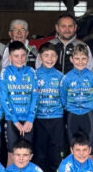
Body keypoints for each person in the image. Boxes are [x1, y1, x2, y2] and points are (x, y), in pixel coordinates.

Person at [59, 43, 93, 154]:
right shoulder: (66, 78)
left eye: (83, 58)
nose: (80, 61)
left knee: (89, 149)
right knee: (73, 148)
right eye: (77, 58)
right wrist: (70, 107)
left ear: (88, 59)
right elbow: (62, 98)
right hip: (72, 115)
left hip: (88, 115)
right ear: (71, 59)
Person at [0, 41, 39, 152]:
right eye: (16, 56)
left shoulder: (31, 71)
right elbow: (4, 98)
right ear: (9, 57)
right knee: (12, 153)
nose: (20, 59)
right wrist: (15, 121)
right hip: (12, 120)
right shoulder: (5, 72)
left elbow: (35, 96)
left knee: (27, 152)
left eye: (23, 55)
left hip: (28, 120)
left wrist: (30, 120)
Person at [33, 43, 66, 172]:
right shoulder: (34, 75)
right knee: (39, 154)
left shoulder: (61, 76)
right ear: (40, 57)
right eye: (46, 55)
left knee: (56, 154)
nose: (50, 59)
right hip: (39, 119)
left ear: (57, 57)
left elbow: (64, 99)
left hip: (56, 119)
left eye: (53, 55)